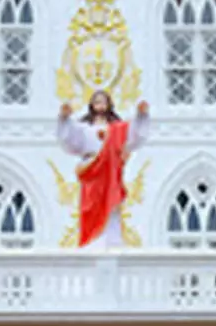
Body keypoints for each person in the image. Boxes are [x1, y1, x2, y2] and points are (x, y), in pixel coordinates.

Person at [57, 90, 150, 248]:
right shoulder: (84, 128)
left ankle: (112, 243)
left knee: (111, 207)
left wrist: (140, 115)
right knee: (90, 209)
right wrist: (64, 117)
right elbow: (69, 136)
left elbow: (133, 133)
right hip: (92, 171)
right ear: (92, 105)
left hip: (110, 172)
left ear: (109, 104)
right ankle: (92, 243)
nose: (100, 105)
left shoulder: (116, 128)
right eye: (97, 102)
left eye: (103, 102)